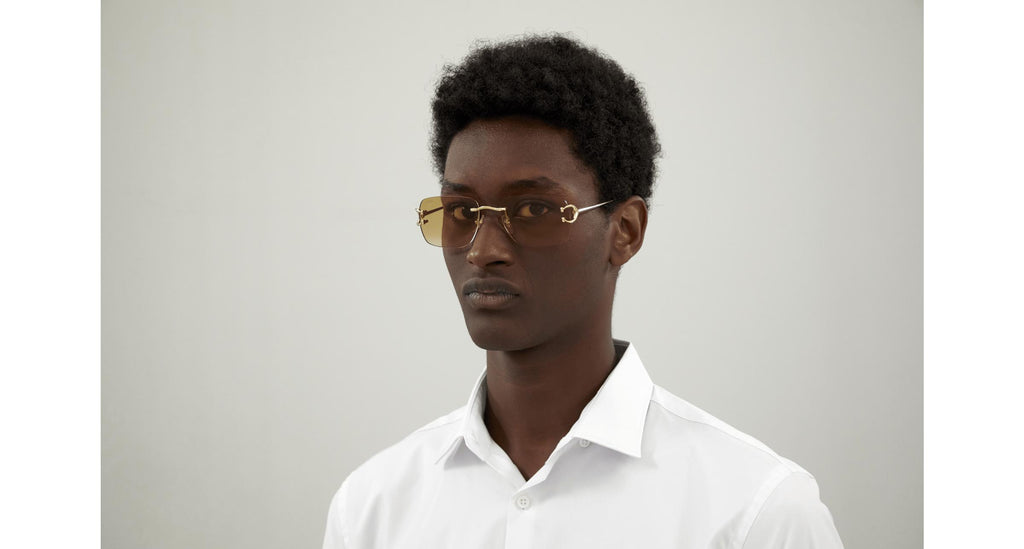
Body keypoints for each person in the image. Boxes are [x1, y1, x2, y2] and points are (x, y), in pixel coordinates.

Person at [323, 34, 844, 549]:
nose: (483, 251)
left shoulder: (755, 513)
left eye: (533, 209)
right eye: (462, 212)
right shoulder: (371, 510)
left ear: (625, 231)